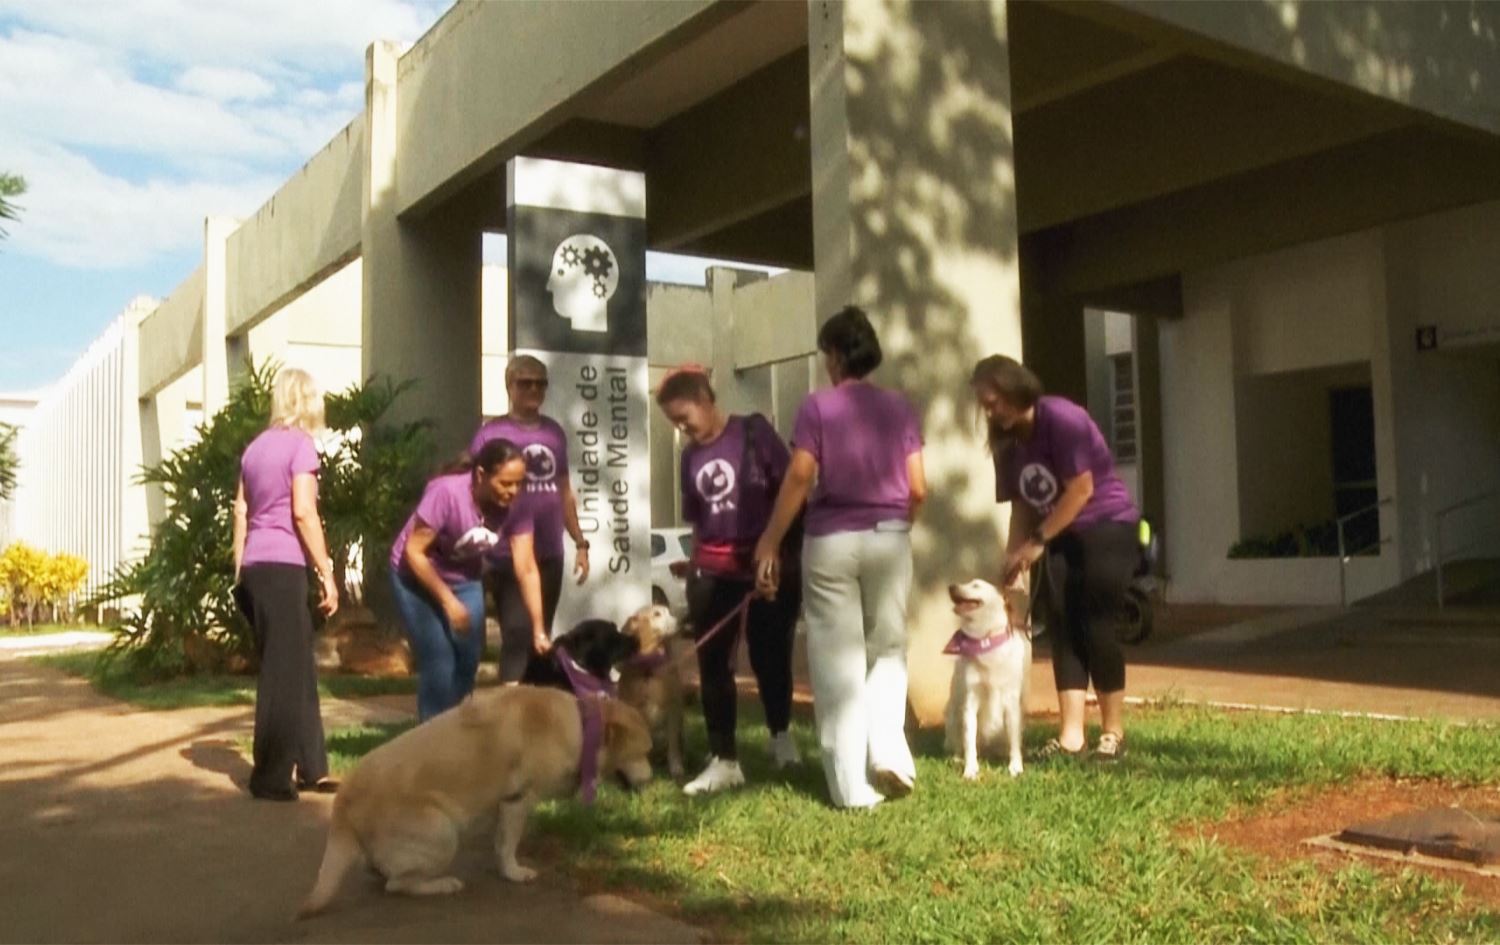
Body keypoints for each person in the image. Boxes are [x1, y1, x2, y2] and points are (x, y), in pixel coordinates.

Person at [754, 306, 927, 810]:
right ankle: (889, 750)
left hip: (831, 539)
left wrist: (770, 540)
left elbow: (801, 475)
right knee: (889, 647)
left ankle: (852, 788)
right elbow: (919, 486)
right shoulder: (900, 408)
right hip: (890, 535)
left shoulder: (817, 407)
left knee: (837, 660)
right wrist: (897, 524)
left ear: (833, 355)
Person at [972, 354, 1141, 761]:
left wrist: (1039, 541)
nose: (989, 411)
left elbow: (1080, 490)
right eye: (984, 405)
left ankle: (1112, 733)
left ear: (1015, 388)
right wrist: (1013, 560)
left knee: (1096, 624)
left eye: (993, 401)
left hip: (1106, 526)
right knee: (1064, 625)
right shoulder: (1007, 441)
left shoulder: (1062, 418)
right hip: (1058, 533)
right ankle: (1071, 737)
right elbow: (1022, 507)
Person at [655, 365, 802, 796]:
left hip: (764, 568)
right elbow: (698, 519)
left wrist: (776, 555)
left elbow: (792, 495)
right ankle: (724, 757)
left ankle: (781, 734)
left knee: (772, 656)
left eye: (684, 417)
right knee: (713, 664)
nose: (682, 430)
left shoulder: (755, 434)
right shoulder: (689, 457)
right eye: (674, 424)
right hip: (712, 572)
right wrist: (694, 569)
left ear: (705, 399)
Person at [232, 367, 339, 801]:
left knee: (297, 667)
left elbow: (240, 510)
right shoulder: (301, 446)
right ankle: (271, 776)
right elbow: (303, 512)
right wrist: (327, 571)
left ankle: (313, 767)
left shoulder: (254, 450)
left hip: (256, 567)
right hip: (282, 565)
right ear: (309, 401)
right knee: (283, 673)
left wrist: (239, 568)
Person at [389, 438, 536, 721]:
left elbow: (526, 566)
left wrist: (539, 627)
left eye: (518, 484)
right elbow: (414, 552)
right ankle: (433, 738)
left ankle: (456, 727)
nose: (513, 491)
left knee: (468, 659)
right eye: (505, 483)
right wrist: (449, 602)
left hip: (464, 577)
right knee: (440, 661)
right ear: (481, 475)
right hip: (414, 576)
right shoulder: (447, 493)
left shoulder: (516, 505)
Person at [470, 355, 590, 683]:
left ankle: (534, 711)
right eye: (525, 382)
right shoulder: (491, 433)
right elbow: (475, 488)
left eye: (540, 383)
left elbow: (564, 489)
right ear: (509, 386)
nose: (534, 388)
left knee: (540, 637)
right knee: (518, 634)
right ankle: (511, 710)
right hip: (505, 556)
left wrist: (580, 542)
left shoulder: (554, 433)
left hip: (548, 553)